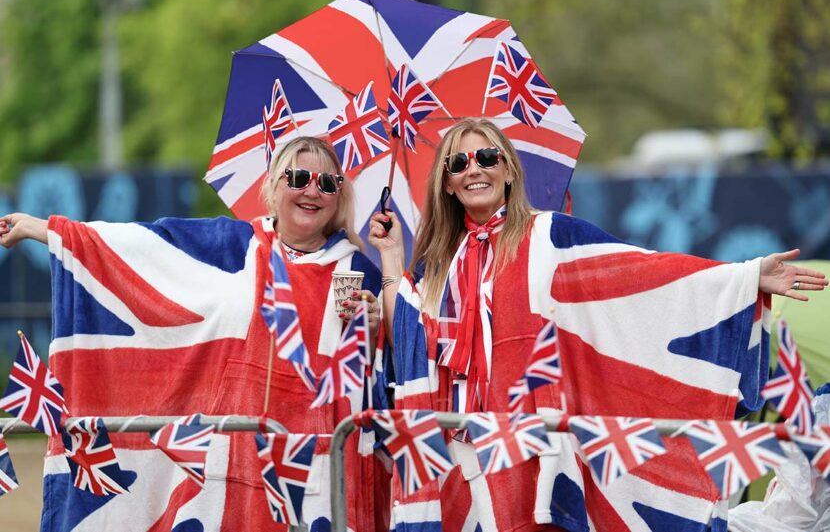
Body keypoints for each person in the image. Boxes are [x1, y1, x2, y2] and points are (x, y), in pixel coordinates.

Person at [368, 118, 827, 532]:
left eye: (487, 156)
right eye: (459, 162)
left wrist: (744, 277)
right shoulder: (437, 268)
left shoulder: (550, 237)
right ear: (446, 183)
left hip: (533, 451)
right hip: (461, 457)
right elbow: (408, 340)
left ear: (509, 170)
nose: (475, 169)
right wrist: (390, 256)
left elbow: (645, 275)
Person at [1, 136, 390, 532]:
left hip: (312, 469)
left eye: (327, 183)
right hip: (227, 464)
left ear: (339, 195)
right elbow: (140, 249)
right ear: (274, 185)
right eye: (300, 177)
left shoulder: (359, 272)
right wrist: (41, 228)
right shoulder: (230, 246)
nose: (312, 191)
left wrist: (374, 331)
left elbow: (379, 381)